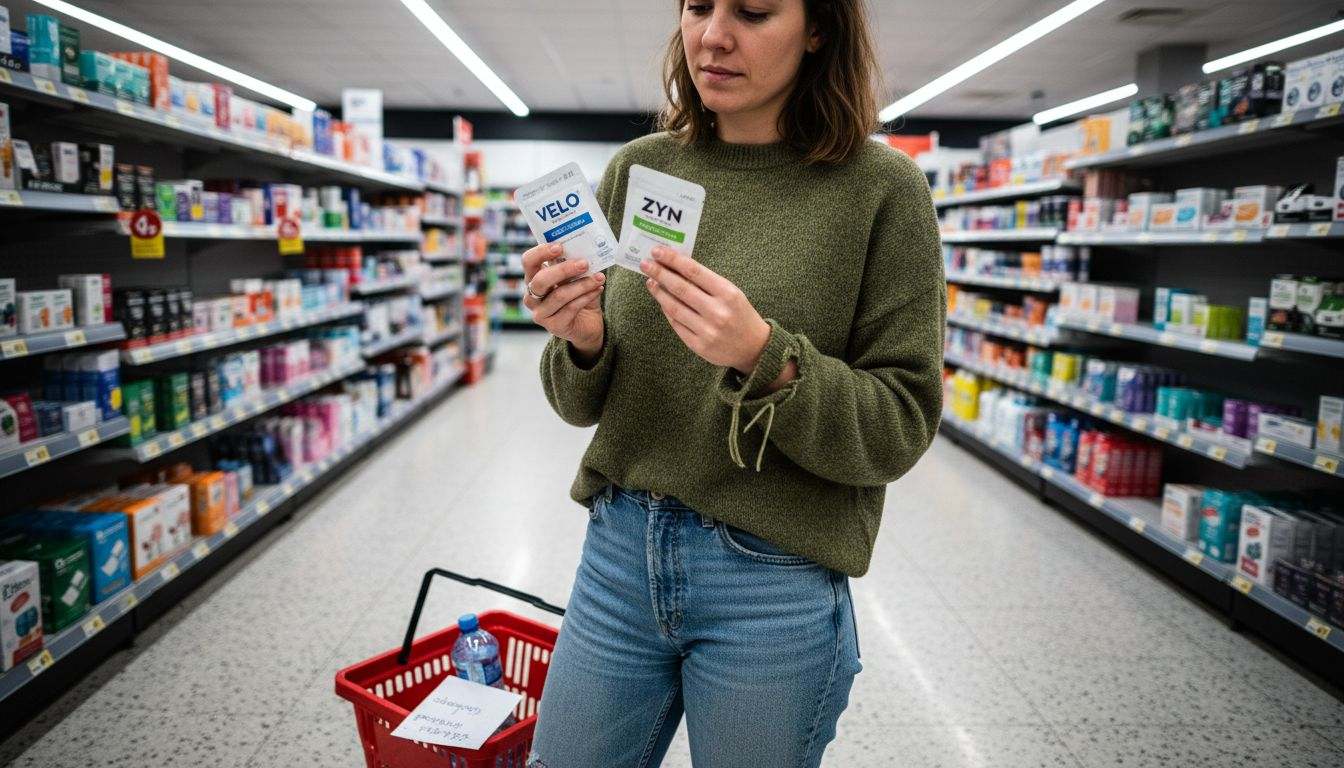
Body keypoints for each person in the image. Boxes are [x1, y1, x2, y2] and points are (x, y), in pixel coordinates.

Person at [522, 1, 944, 765]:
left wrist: (764, 356)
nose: (713, 36)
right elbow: (577, 402)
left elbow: (900, 425)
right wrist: (581, 341)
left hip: (771, 579)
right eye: (698, 6)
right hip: (619, 553)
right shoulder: (640, 168)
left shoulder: (882, 190)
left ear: (819, 29)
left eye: (752, 11)